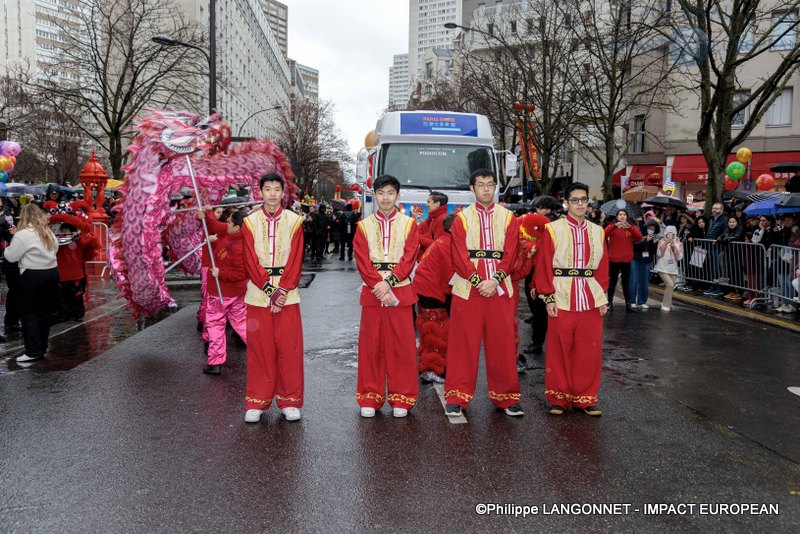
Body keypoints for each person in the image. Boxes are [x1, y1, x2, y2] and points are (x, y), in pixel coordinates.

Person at [443, 169, 523, 418]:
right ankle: (457, 396)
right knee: (462, 343)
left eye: (490, 184)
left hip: (499, 288)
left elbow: (511, 253)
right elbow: (458, 256)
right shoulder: (461, 219)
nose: (486, 189)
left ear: (496, 187)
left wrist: (495, 279)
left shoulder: (509, 218)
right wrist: (479, 281)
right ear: (472, 189)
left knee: (502, 343)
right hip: (469, 288)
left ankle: (506, 397)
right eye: (481, 185)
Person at [534, 182, 609, 416]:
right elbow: (544, 264)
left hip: (589, 294)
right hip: (561, 293)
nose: (580, 204)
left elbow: (603, 267)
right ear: (566, 202)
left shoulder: (598, 231)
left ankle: (585, 398)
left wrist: (603, 296)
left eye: (583, 200)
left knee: (589, 349)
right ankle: (559, 397)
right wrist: (548, 297)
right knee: (559, 348)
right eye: (575, 200)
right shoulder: (553, 229)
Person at [353, 174, 420, 418]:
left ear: (397, 195)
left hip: (399, 291)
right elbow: (362, 260)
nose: (385, 198)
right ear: (374, 195)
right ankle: (370, 396)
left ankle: (402, 397)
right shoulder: (363, 226)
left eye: (390, 193)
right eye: (380, 193)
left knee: (401, 347)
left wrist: (388, 283)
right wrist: (378, 285)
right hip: (373, 293)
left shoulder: (409, 224)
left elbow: (410, 256)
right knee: (371, 346)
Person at [241, 173, 305, 423]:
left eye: (277, 189)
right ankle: (257, 400)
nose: (272, 194)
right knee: (260, 349)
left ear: (282, 193)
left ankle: (289, 400)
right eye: (267, 189)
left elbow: (296, 259)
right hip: (258, 294)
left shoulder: (295, 221)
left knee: (289, 349)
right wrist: (270, 291)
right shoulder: (249, 222)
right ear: (260, 192)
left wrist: (282, 291)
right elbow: (250, 260)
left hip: (288, 296)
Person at [3, 204, 59, 363]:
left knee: (28, 313)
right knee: (44, 312)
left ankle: (33, 351)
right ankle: (41, 347)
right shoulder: (47, 232)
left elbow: (11, 256)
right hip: (51, 272)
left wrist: (11, 242)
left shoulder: (23, 234)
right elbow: (55, 249)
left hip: (32, 274)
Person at [197, 208, 248, 375]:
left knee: (215, 325)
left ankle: (215, 362)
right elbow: (216, 227)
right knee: (242, 324)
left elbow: (241, 273)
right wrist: (207, 214)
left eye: (229, 222)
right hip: (232, 293)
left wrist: (221, 274)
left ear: (237, 227)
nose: (226, 224)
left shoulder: (241, 245)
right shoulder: (232, 235)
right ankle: (264, 353)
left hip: (221, 292)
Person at [413, 214, 456, 384]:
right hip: (432, 291)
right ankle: (431, 369)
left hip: (427, 289)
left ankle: (428, 365)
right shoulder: (447, 244)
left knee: (429, 330)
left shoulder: (443, 240)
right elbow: (450, 273)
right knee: (436, 332)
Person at [604, 209, 642, 312]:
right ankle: (610, 303)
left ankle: (628, 305)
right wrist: (615, 226)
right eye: (620, 214)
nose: (622, 216)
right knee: (612, 282)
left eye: (624, 214)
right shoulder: (613, 227)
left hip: (626, 260)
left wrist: (630, 228)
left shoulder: (631, 227)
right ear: (617, 216)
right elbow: (604, 234)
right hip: (614, 259)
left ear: (627, 217)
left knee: (626, 283)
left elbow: (639, 237)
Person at [653, 225, 684, 312]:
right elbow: (659, 254)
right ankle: (665, 305)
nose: (670, 236)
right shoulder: (661, 242)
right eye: (668, 234)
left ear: (675, 234)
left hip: (673, 268)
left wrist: (674, 247)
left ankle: (667, 303)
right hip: (662, 267)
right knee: (669, 284)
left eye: (672, 234)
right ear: (665, 234)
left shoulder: (679, 244)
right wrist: (665, 243)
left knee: (670, 287)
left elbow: (679, 257)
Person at [630, 219, 659, 309]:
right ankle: (632, 301)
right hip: (636, 260)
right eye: (650, 228)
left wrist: (653, 244)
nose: (651, 230)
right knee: (634, 281)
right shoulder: (639, 235)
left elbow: (653, 253)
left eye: (653, 228)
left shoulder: (654, 238)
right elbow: (635, 246)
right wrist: (645, 240)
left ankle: (642, 301)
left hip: (646, 262)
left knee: (644, 282)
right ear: (646, 228)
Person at [703, 202, 728, 297]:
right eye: (713, 208)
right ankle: (712, 285)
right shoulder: (711, 219)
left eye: (717, 209)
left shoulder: (725, 219)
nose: (715, 210)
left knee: (718, 269)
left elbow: (726, 232)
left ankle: (719, 288)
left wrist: (718, 239)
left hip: (719, 247)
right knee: (711, 268)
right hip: (709, 246)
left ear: (721, 210)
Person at [417, 191, 448, 259]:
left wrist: (418, 238)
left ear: (437, 204)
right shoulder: (434, 217)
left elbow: (438, 245)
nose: (426, 204)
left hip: (434, 262)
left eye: (429, 202)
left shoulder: (442, 219)